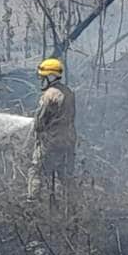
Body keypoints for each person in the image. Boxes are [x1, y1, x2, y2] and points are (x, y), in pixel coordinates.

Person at [27, 57, 76, 203]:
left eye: (43, 77)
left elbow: (41, 119)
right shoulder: (68, 92)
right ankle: (72, 206)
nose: (42, 80)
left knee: (36, 170)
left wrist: (36, 128)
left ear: (50, 76)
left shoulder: (49, 95)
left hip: (51, 141)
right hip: (68, 140)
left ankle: (32, 203)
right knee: (66, 176)